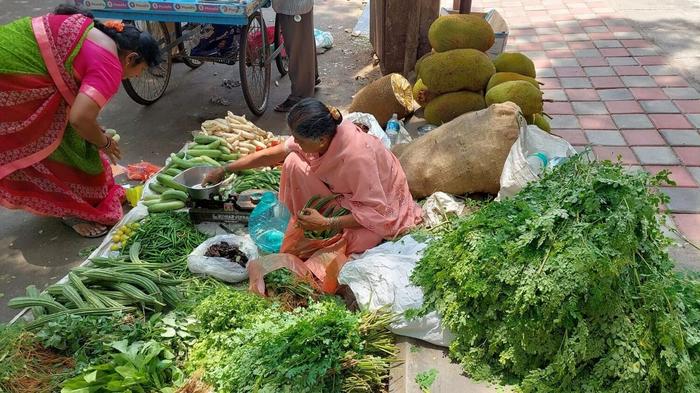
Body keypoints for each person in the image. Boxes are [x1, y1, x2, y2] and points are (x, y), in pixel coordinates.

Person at [0, 5, 160, 237]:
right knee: (62, 144)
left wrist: (91, 128)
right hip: (12, 77)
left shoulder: (98, 34)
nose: (136, 76)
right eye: (140, 70)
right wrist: (103, 142)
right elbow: (79, 119)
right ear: (131, 58)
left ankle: (59, 203)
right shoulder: (110, 65)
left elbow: (78, 107)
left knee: (62, 134)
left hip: (11, 48)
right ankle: (72, 211)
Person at [203, 98, 423, 256]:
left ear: (321, 140)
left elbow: (376, 212)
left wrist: (328, 222)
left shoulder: (356, 158)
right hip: (344, 193)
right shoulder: (321, 137)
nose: (295, 142)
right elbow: (276, 153)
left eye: (300, 140)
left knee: (359, 240)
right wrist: (226, 168)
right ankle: (306, 223)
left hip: (379, 202)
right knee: (292, 162)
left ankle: (320, 227)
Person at [272, 0, 320, 112]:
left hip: (294, 5)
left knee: (298, 45)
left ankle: (300, 96)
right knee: (303, 37)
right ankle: (310, 79)